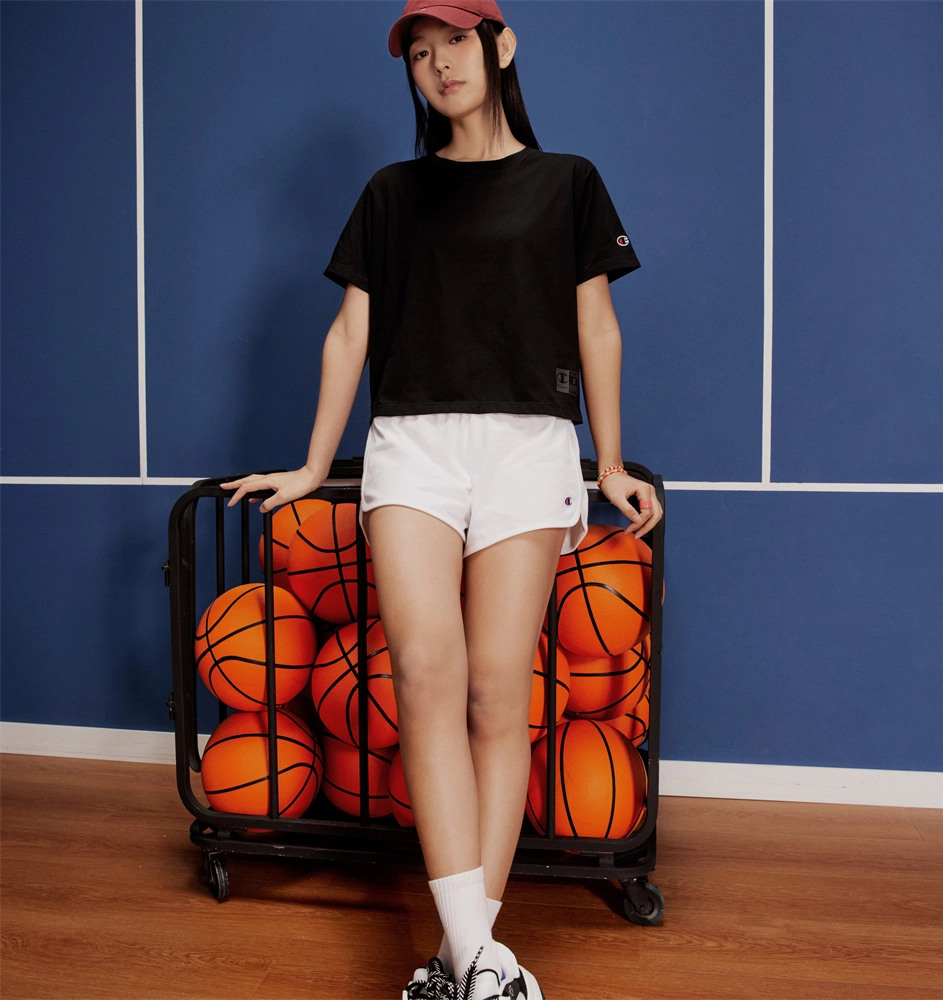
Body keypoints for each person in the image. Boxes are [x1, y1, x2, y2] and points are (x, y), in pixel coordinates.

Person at [223, 1, 662, 996]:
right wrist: (310, 465)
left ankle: (458, 958)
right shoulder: (392, 193)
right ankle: (480, 962)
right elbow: (350, 332)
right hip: (411, 448)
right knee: (424, 676)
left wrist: (609, 464)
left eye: (455, 42)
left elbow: (597, 327)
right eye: (419, 53)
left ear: (500, 47)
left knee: (497, 693)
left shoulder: (569, 182)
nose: (438, 64)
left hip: (528, 447)